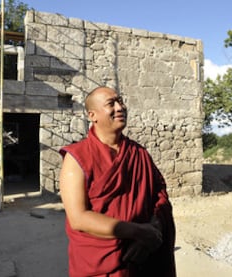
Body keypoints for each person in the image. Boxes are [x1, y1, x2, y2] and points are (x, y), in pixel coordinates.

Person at [59, 86, 176, 277]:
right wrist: (138, 232)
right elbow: (78, 218)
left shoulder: (139, 154)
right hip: (101, 262)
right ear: (92, 115)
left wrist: (154, 228)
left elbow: (159, 195)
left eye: (120, 101)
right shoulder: (77, 157)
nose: (120, 107)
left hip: (143, 256)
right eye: (111, 104)